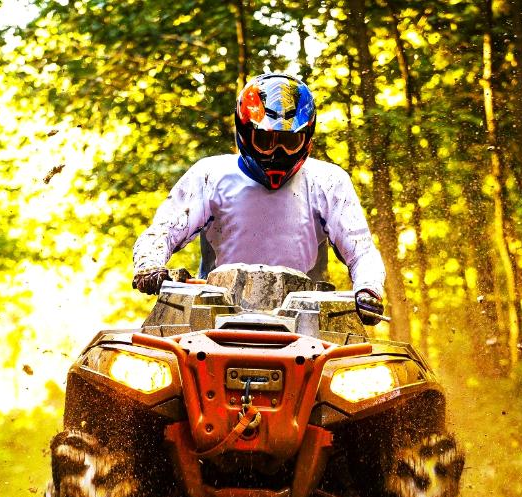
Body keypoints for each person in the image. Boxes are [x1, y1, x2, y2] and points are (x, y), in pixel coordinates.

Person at [131, 72, 385, 324]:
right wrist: (148, 265)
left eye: (290, 141)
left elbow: (361, 250)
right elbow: (164, 230)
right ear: (245, 132)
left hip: (310, 321)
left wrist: (369, 289)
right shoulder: (210, 175)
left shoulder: (328, 181)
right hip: (210, 316)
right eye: (265, 140)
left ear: (307, 137)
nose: (278, 152)